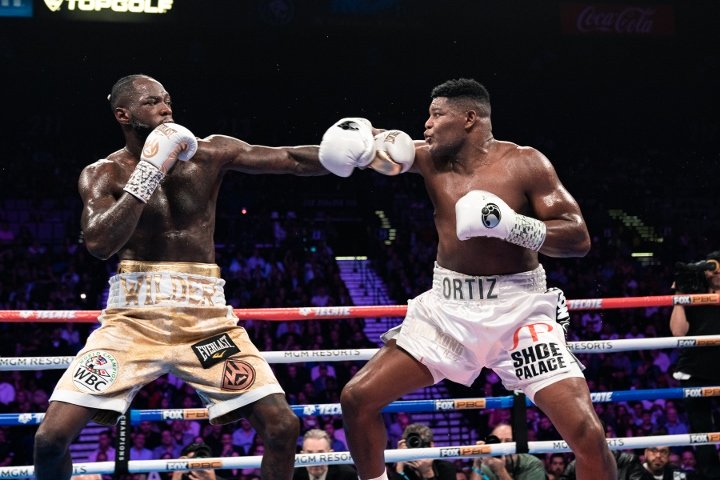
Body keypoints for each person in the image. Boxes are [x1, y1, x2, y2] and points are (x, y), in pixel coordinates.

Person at [33, 73, 328, 480]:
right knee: (49, 440)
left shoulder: (209, 153)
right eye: (152, 102)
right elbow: (99, 244)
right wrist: (148, 172)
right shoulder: (104, 173)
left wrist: (359, 153)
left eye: (167, 99)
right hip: (131, 323)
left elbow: (291, 159)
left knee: (282, 426)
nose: (166, 108)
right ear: (123, 115)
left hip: (206, 322)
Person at [321, 78, 616, 479]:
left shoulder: (525, 163)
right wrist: (355, 137)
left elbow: (578, 238)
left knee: (588, 434)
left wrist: (510, 225)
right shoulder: (426, 157)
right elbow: (368, 144)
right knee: (357, 398)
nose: (426, 124)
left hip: (520, 313)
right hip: (448, 311)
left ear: (469, 118)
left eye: (436, 114)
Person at [670, 250, 720, 479]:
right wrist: (680, 293)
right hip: (695, 369)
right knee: (701, 429)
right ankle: (711, 476)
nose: (716, 272)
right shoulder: (693, 294)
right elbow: (678, 332)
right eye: (712, 267)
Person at [469, 423, 546, 480]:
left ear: (517, 443)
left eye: (508, 441)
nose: (503, 445)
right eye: (498, 441)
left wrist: (501, 471)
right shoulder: (488, 464)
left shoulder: (532, 464)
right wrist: (477, 464)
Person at [390, 423, 456, 480]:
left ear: (431, 446)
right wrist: (399, 469)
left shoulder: (445, 468)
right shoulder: (400, 470)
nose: (416, 450)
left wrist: (428, 473)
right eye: (413, 444)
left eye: (420, 444)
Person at [292, 428, 357, 480]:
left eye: (321, 453)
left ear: (331, 454)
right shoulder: (291, 475)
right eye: (310, 453)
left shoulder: (347, 475)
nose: (315, 461)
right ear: (302, 455)